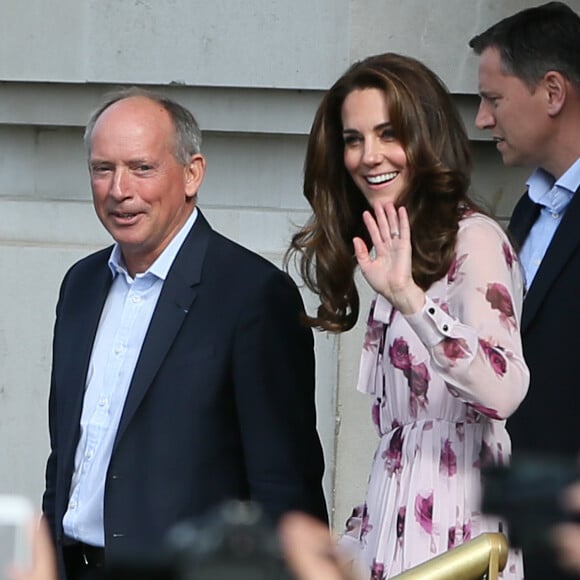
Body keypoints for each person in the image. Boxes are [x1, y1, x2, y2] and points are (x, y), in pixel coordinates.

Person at [42, 87, 328, 580]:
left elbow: (285, 488)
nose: (119, 189)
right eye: (102, 168)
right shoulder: (81, 286)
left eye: (141, 168)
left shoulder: (253, 296)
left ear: (192, 173)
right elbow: (67, 454)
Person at [287, 52, 529, 578]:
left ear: (425, 138)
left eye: (388, 133)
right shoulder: (394, 251)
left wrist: (412, 301)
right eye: (353, 139)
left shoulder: (475, 240)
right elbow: (398, 444)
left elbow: (504, 390)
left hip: (459, 532)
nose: (368, 156)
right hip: (391, 533)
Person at [470, 5, 580, 577]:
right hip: (517, 536)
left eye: (494, 98)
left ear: (553, 92)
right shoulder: (528, 209)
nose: (483, 119)